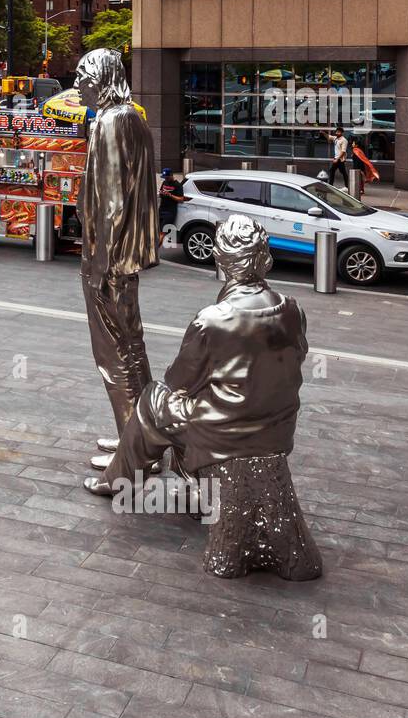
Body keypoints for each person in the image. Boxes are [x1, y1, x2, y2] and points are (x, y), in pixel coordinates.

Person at [86, 215, 322, 582]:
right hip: (277, 428)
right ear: (266, 259)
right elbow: (297, 357)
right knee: (182, 407)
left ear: (220, 260)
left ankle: (119, 479)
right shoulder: (293, 309)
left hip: (225, 431)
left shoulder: (212, 320)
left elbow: (179, 379)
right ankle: (171, 480)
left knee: (154, 401)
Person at [75, 48, 157, 478]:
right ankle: (140, 438)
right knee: (133, 348)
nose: (78, 86)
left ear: (103, 77)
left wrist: (100, 263)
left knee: (114, 356)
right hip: (127, 258)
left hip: (107, 261)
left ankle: (133, 461)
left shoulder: (109, 121)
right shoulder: (135, 118)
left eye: (82, 77)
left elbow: (110, 202)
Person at [157, 167, 188, 251]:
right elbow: (160, 193)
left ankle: (155, 251)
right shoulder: (164, 182)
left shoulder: (177, 185)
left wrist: (170, 195)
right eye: (164, 177)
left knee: (162, 232)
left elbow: (181, 199)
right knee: (157, 231)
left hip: (170, 212)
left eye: (167, 177)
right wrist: (161, 193)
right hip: (161, 209)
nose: (166, 179)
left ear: (171, 175)